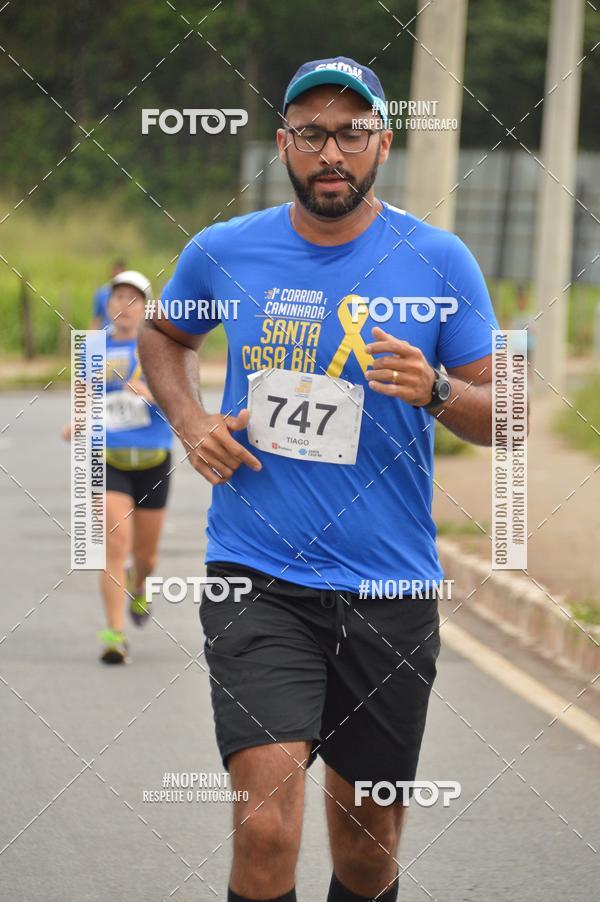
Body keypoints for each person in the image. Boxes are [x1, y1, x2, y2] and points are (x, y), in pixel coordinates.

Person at [140, 57, 500, 902]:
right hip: (257, 579)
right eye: (311, 133)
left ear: (382, 141)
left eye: (351, 132)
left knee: (367, 848)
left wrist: (441, 390)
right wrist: (192, 424)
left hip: (391, 588)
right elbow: (163, 337)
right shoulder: (224, 251)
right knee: (266, 828)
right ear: (284, 144)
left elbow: (509, 414)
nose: (330, 151)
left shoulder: (438, 260)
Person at [67, 270, 173, 664]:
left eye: (133, 300)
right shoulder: (92, 348)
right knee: (114, 545)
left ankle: (140, 583)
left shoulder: (159, 347)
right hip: (108, 458)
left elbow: (181, 398)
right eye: (116, 300)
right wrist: (78, 420)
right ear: (107, 305)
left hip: (153, 460)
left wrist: (152, 394)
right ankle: (114, 635)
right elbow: (82, 395)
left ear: (146, 308)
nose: (123, 308)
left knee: (146, 556)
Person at [91, 259, 126, 331]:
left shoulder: (132, 295)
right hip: (105, 334)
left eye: (120, 274)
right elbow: (96, 319)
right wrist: (90, 338)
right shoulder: (102, 293)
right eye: (115, 273)